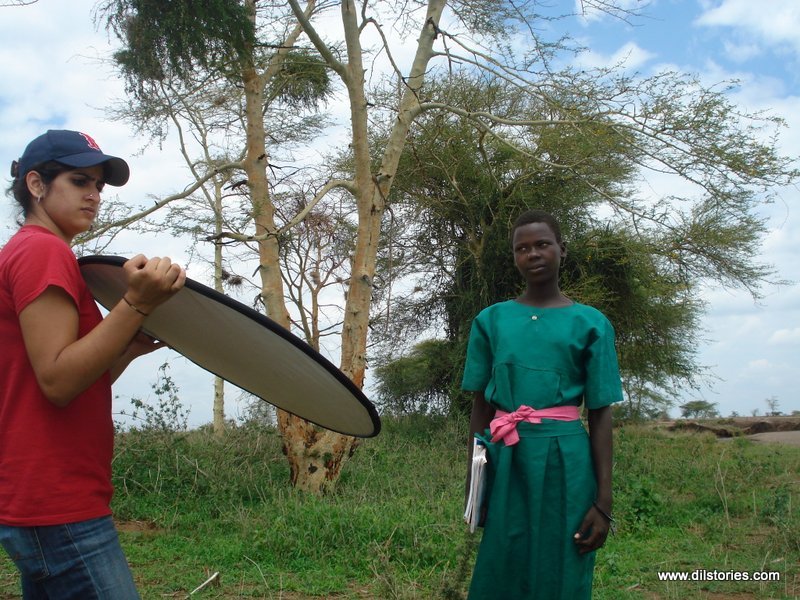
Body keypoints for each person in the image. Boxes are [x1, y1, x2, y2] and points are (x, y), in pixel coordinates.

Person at [0, 129, 186, 599]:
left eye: (99, 186)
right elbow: (58, 382)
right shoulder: (43, 251)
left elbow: (73, 383)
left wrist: (127, 344)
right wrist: (136, 306)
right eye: (80, 180)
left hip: (45, 499)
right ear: (37, 185)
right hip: (58, 503)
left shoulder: (34, 250)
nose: (94, 195)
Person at [462, 209, 623, 599]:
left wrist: (603, 501)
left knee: (564, 561)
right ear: (514, 257)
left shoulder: (592, 323)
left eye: (542, 244)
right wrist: (472, 483)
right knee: (502, 561)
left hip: (567, 458)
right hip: (506, 457)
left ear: (561, 250)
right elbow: (481, 409)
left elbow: (600, 416)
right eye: (522, 248)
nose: (532, 254)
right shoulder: (491, 321)